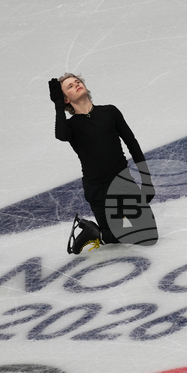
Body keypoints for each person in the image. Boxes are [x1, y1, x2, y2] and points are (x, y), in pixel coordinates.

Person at [49, 73, 154, 253]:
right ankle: (96, 232)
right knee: (115, 234)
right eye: (70, 86)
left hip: (123, 185)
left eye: (78, 81)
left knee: (148, 236)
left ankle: (95, 233)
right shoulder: (72, 126)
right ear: (66, 98)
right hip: (98, 190)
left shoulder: (109, 112)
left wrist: (146, 180)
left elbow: (132, 143)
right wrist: (58, 106)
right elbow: (61, 135)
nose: (76, 84)